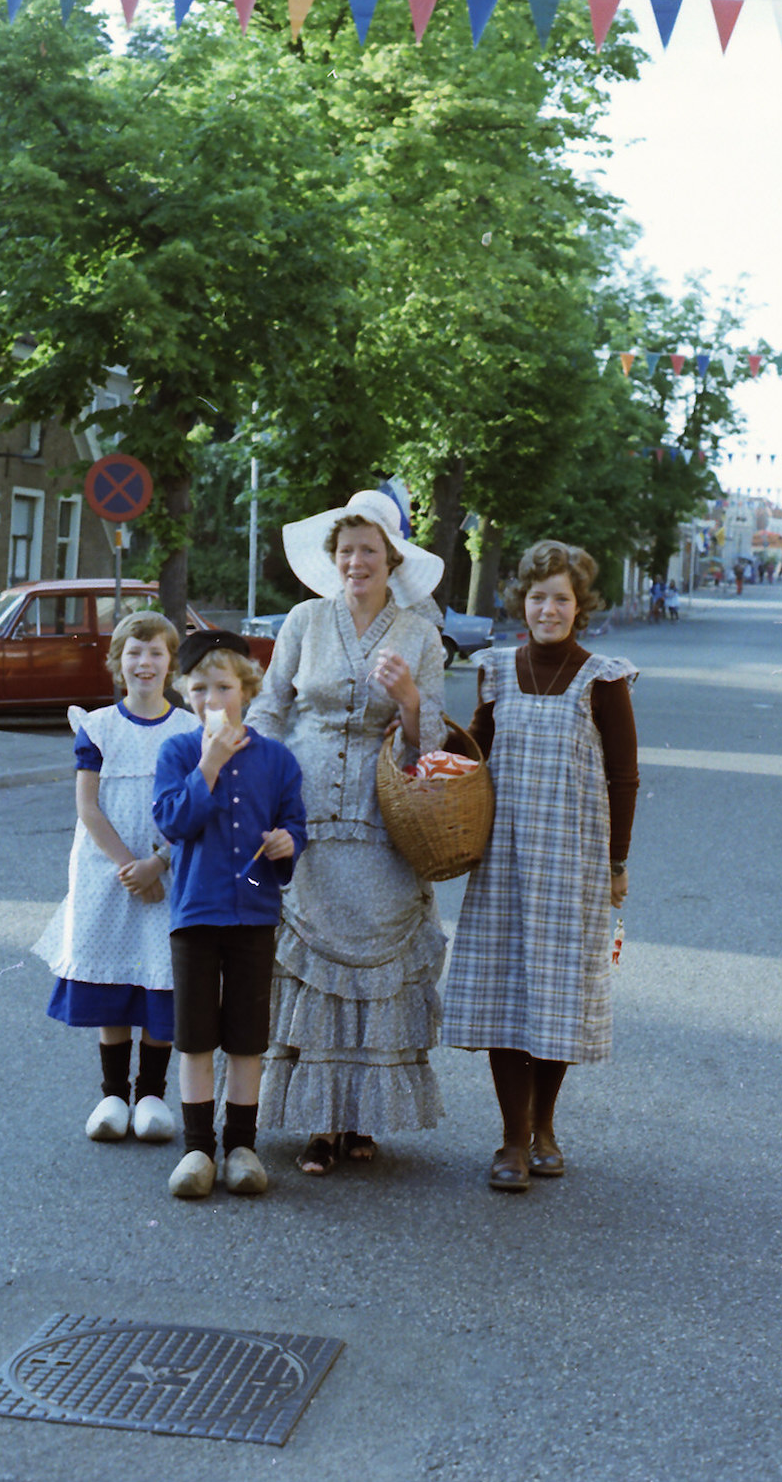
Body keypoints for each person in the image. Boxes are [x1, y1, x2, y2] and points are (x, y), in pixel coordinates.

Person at [245, 489, 448, 1175]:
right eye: (346, 550)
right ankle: (319, 1122)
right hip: (304, 812)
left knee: (376, 963)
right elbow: (271, 707)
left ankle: (362, 1118)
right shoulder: (304, 620)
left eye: (369, 550)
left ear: (392, 559)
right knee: (310, 958)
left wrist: (412, 701)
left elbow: (436, 745)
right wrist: (254, 786)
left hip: (384, 816)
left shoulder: (420, 633)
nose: (356, 561)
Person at [442, 540, 639, 1192]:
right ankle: (510, 1139)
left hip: (573, 860)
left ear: (579, 608)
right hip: (503, 859)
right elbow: (471, 751)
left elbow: (623, 777)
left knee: (556, 998)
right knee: (505, 995)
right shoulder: (496, 669)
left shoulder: (602, 678)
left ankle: (544, 1126)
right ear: (520, 603)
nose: (547, 609)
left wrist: (617, 862)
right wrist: (422, 733)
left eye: (560, 598)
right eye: (537, 597)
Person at [152, 631, 307, 1199]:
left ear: (247, 689)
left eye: (224, 687)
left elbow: (296, 823)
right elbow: (173, 822)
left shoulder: (278, 758)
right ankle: (197, 1150)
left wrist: (289, 842)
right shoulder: (177, 752)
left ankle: (242, 1146)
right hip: (195, 913)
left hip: (254, 913)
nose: (213, 700)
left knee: (246, 1036)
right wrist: (209, 765)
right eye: (199, 689)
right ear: (184, 694)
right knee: (194, 1035)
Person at [34, 612, 196, 1143]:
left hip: (168, 870)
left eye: (155, 653)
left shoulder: (190, 729)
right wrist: (129, 864)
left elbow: (197, 805)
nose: (144, 663)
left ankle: (151, 1094)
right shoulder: (98, 726)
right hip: (108, 870)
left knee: (159, 974)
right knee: (113, 975)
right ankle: (111, 1094)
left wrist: (159, 862)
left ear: (170, 663)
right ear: (117, 661)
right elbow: (88, 805)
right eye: (134, 652)